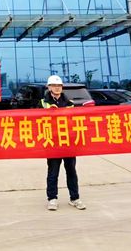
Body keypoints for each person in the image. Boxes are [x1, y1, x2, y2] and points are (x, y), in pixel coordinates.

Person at [37, 75, 86, 211]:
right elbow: (36, 121)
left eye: (59, 86)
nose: (57, 88)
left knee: (71, 171)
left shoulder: (69, 103)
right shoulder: (42, 103)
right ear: (49, 87)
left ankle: (74, 198)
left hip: (68, 142)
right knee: (53, 172)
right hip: (52, 142)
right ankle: (52, 198)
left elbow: (76, 121)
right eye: (54, 85)